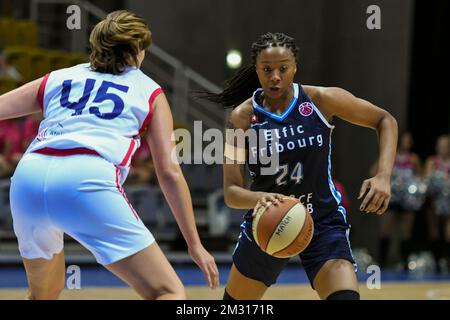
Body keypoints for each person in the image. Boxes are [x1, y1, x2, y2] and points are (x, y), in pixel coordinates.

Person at [0, 10, 218, 300]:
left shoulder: (60, 77)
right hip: (86, 179)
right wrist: (194, 243)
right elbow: (168, 171)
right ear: (138, 51)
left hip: (28, 178)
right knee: (167, 291)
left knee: (44, 294)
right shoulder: (149, 91)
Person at [200, 32, 398, 300]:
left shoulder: (320, 100)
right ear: (256, 69)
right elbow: (232, 192)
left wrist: (383, 175)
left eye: (283, 68)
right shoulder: (242, 118)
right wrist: (259, 198)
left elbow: (385, 120)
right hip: (269, 225)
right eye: (267, 69)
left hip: (323, 221)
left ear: (295, 66)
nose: (275, 77)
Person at [371, 132, 422, 270]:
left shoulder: (414, 159)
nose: (408, 143)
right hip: (391, 198)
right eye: (406, 140)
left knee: (406, 231)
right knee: (385, 229)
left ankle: (405, 262)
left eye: (410, 141)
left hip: (407, 200)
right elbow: (373, 171)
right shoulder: (390, 157)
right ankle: (382, 261)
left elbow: (420, 177)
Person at [424, 135, 450, 272]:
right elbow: (426, 180)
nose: (441, 148)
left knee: (448, 232)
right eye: (439, 145)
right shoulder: (432, 161)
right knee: (434, 232)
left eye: (444, 145)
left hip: (448, 201)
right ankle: (436, 263)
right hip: (434, 201)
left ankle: (447, 261)